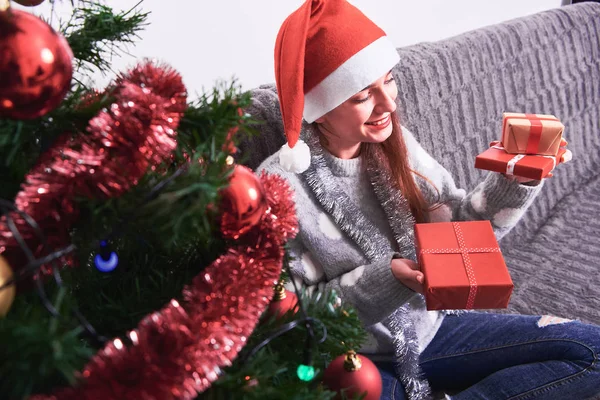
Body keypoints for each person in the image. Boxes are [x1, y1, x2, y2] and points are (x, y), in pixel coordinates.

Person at [253, 0, 600, 399]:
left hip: (435, 330)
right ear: (321, 107)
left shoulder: (395, 143)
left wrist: (514, 180)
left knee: (593, 350)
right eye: (363, 95)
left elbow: (459, 235)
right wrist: (387, 280)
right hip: (349, 358)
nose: (389, 104)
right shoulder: (277, 189)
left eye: (390, 80)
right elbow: (291, 320)